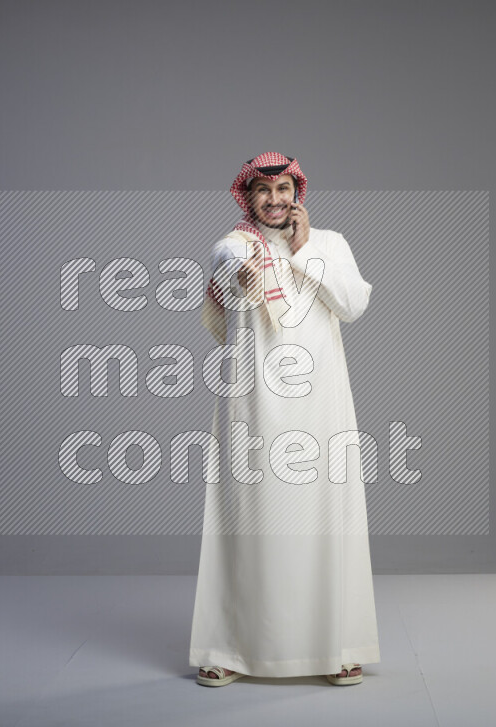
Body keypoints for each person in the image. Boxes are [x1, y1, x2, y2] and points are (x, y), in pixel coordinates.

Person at [190, 152, 381, 687]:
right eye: (262, 192)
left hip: (321, 403)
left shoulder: (331, 244)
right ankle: (229, 647)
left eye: (283, 190)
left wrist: (301, 252)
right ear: (247, 198)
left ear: (297, 193)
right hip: (253, 405)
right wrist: (246, 271)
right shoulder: (233, 245)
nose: (274, 201)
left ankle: (339, 644)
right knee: (245, 520)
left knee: (327, 516)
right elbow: (228, 281)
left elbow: (351, 304)